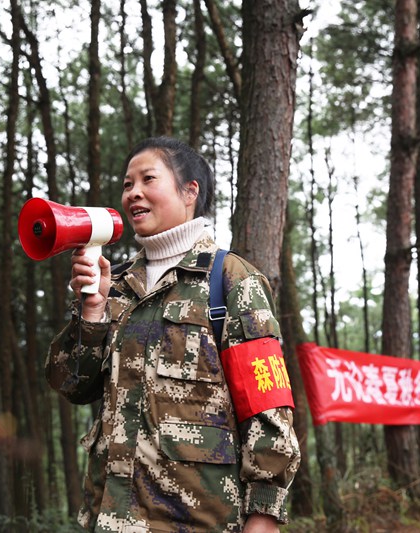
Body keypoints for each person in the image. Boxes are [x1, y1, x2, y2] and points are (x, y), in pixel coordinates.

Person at [46, 137, 300, 532]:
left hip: (197, 522)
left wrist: (262, 519)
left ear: (189, 192)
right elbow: (72, 386)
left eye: (148, 179)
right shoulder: (116, 286)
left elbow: (269, 412)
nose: (133, 193)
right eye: (127, 184)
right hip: (110, 520)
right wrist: (92, 311)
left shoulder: (231, 281)